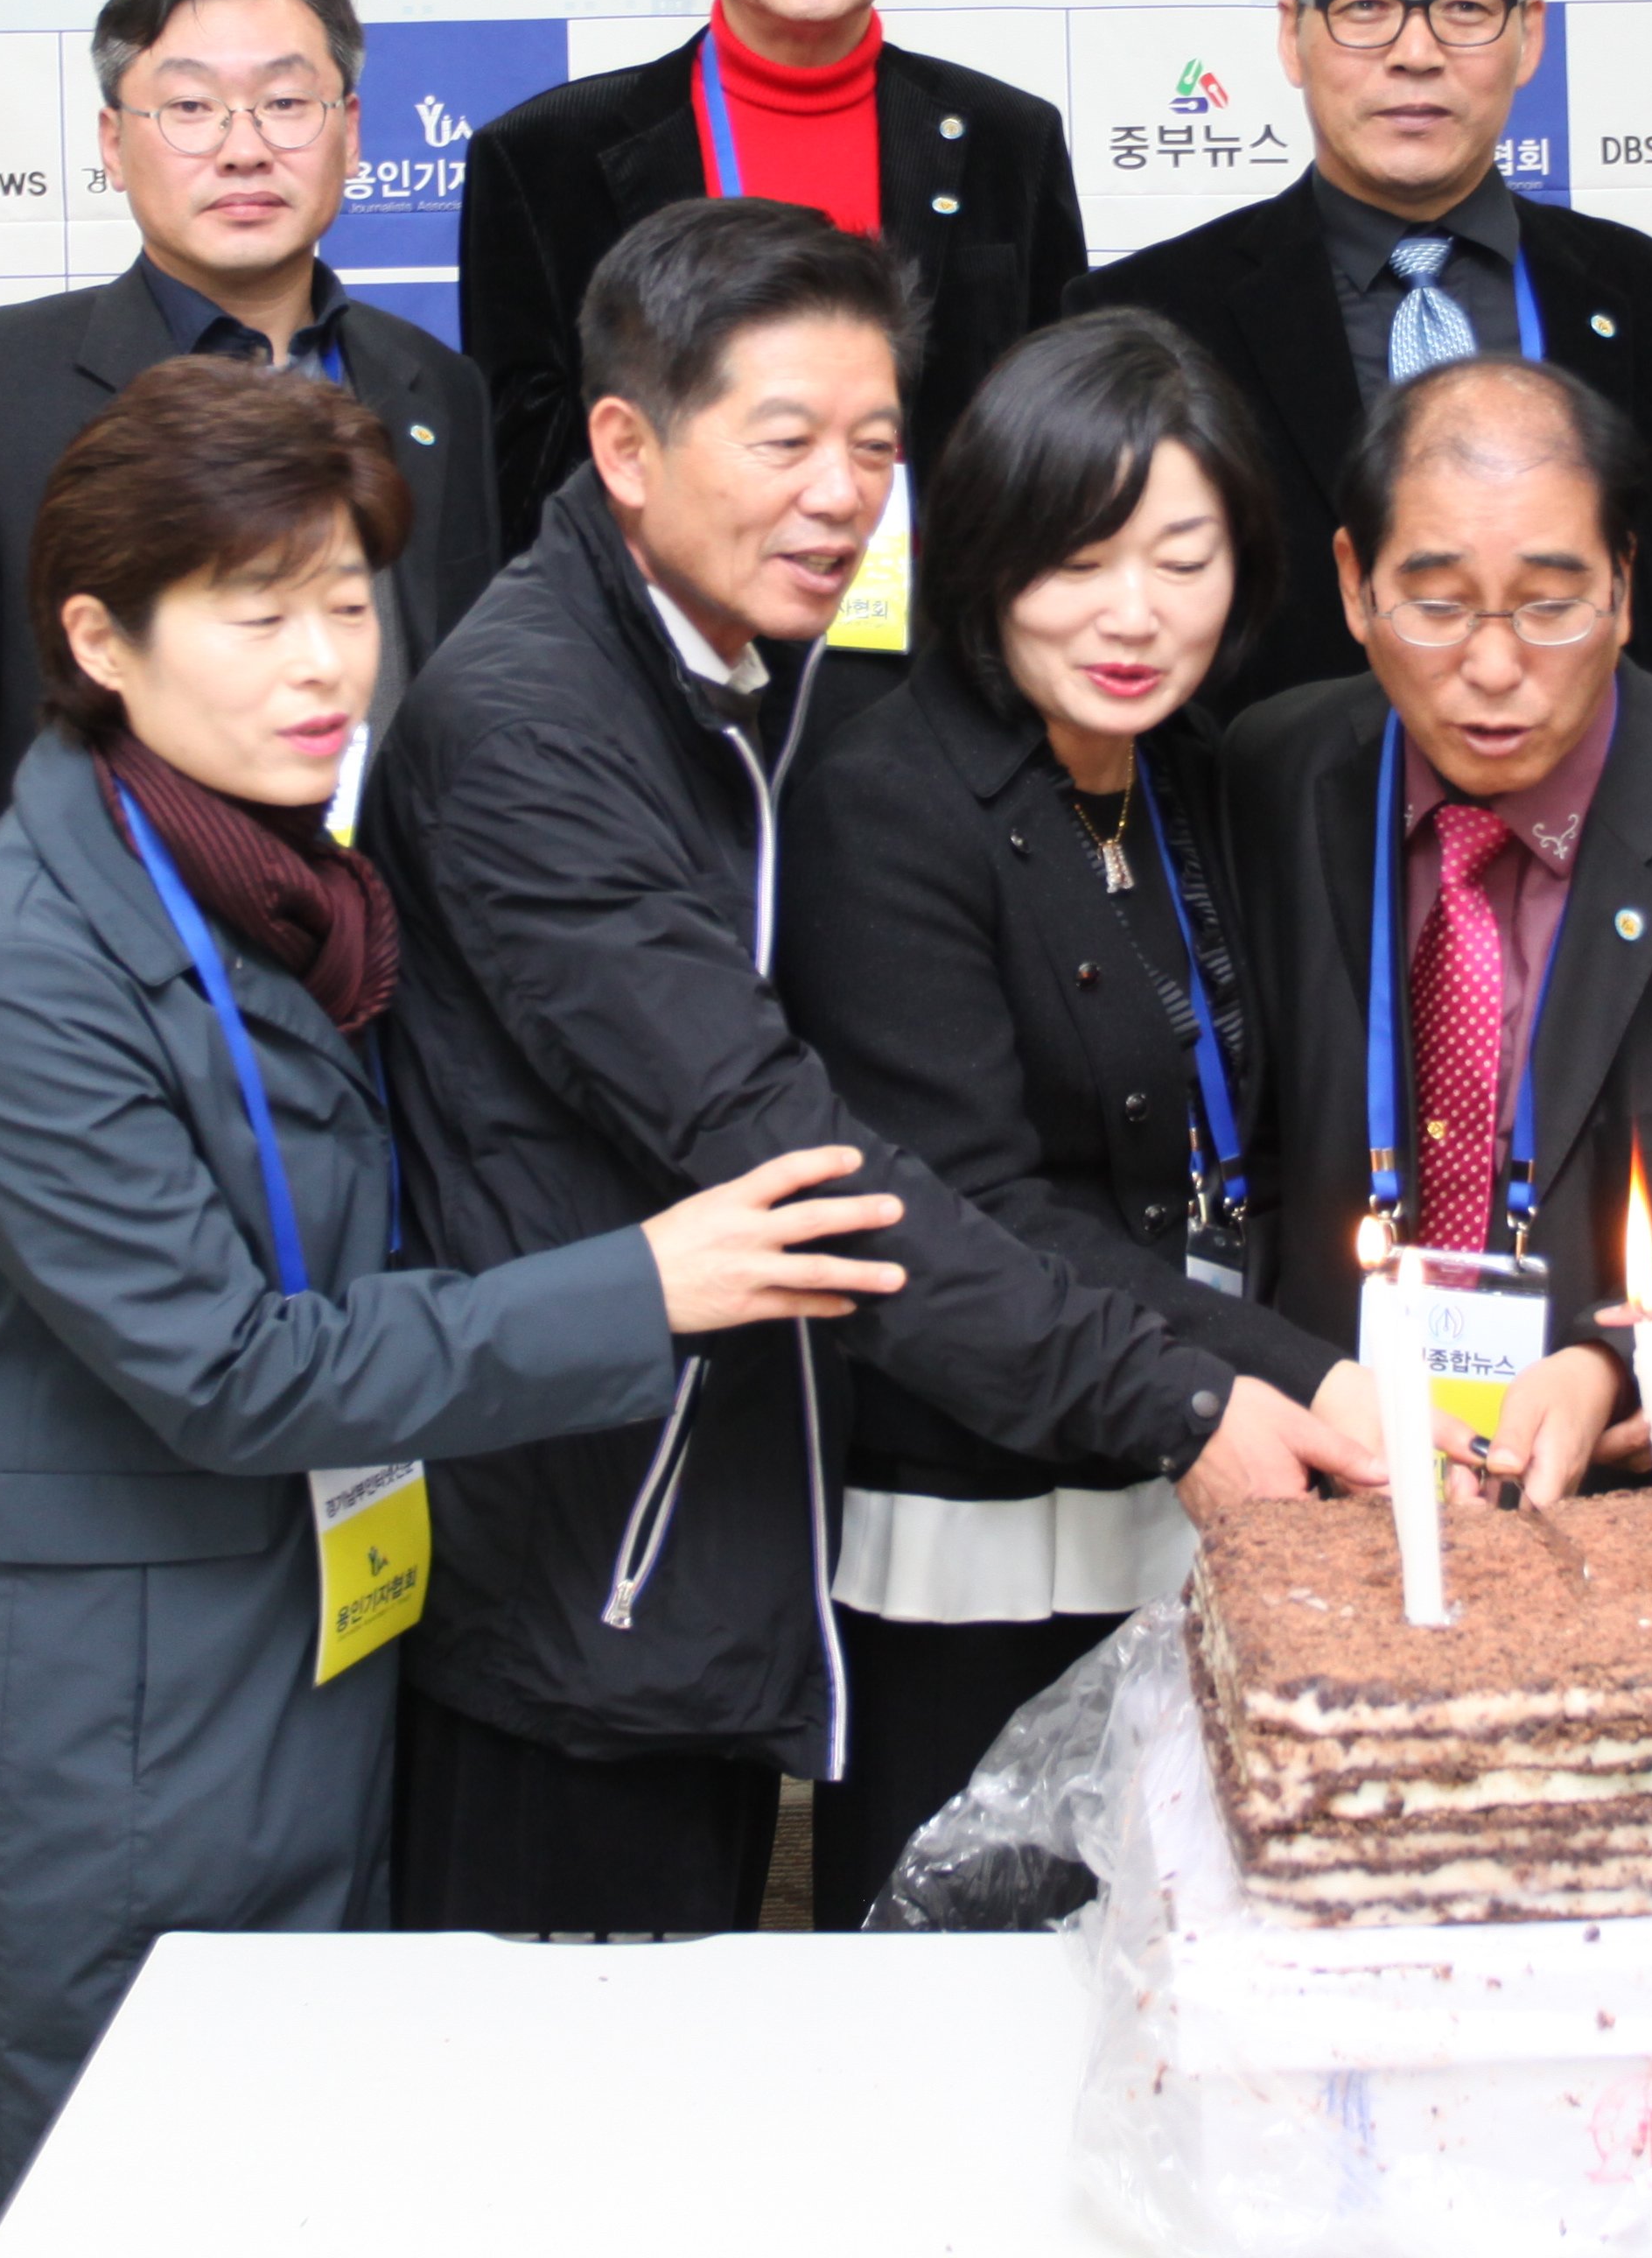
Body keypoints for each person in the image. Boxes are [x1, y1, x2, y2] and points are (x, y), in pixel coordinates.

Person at [0, 358, 912, 2226]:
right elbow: (232, 1370)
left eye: (346, 604)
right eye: (255, 616)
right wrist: (640, 1286)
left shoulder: (278, 883)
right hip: (91, 1699)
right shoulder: (25, 962)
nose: (324, 665)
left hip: (273, 1648)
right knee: (115, 2177)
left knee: (288, 2167)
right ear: (99, 638)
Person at [370, 197, 1379, 1940]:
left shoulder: (736, 670)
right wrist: (1189, 1400)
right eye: (785, 441)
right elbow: (783, 1151)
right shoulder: (535, 719)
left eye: (872, 443)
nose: (840, 494)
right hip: (588, 1541)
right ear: (626, 445)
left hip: (692, 1519)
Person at [769, 311, 1370, 1926]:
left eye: (1183, 559)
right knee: (961, 1963)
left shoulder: (1188, 770)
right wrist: (1313, 1378)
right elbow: (977, 1200)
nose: (1133, 614)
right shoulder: (884, 798)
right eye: (1079, 559)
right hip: (982, 1506)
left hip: (1204, 1468)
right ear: (985, 557)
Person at [1221, 355, 1652, 1497]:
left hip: (1640, 1513)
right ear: (1353, 585)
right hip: (1327, 1480)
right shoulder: (1268, 779)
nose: (1495, 668)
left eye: (1549, 605)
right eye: (1437, 605)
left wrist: (1622, 1361)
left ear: (1624, 587)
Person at [0, 0, 497, 1044]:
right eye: (190, 108)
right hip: (103, 1022)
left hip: (405, 1005)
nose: (243, 149)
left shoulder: (437, 388)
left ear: (350, 131)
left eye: (285, 104)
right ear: (112, 141)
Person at [1071, 0, 1652, 701]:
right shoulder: (1142, 318)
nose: (1416, 53)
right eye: (1365, 8)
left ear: (1529, 36)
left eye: (1466, 8)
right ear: (1293, 34)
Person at [459, 0, 1087, 522]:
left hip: (936, 605)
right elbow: (522, 491)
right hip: (666, 606)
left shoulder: (1010, 143)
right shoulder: (543, 161)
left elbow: (1065, 443)